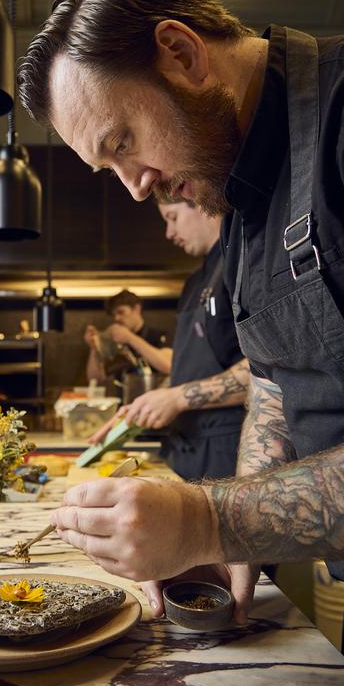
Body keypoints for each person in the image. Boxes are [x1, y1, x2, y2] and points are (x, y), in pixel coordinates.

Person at [17, 0, 344, 686]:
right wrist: (231, 542)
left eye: (122, 142)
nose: (133, 187)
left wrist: (217, 517)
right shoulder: (241, 200)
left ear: (180, 51)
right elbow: (275, 382)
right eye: (104, 166)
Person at [91, 199, 249, 479]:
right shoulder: (193, 284)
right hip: (185, 449)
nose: (168, 232)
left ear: (200, 203)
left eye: (172, 217)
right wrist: (143, 406)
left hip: (229, 452)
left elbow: (267, 371)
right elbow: (185, 369)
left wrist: (176, 398)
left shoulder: (243, 263)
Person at [84, 288, 172, 388]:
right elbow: (95, 380)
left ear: (136, 309)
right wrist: (94, 348)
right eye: (114, 315)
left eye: (121, 312)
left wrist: (130, 338)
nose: (116, 318)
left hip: (153, 398)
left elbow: (168, 366)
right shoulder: (113, 343)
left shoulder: (158, 336)